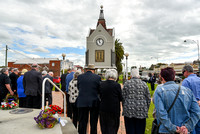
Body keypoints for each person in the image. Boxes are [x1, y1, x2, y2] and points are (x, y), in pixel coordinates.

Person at [154, 67, 200, 133]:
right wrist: (187, 126)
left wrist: (174, 128)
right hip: (183, 129)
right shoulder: (187, 91)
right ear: (174, 78)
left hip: (166, 130)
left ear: (162, 78)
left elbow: (161, 114)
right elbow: (196, 111)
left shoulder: (159, 91)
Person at [122, 68, 151, 134]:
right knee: (140, 130)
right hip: (141, 110)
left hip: (129, 111)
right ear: (138, 75)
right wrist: (146, 109)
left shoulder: (126, 84)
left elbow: (123, 97)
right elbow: (148, 98)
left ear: (131, 76)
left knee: (130, 130)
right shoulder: (144, 84)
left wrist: (125, 107)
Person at [76, 64, 101, 134]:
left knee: (82, 122)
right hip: (94, 101)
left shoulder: (80, 77)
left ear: (86, 69)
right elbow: (99, 89)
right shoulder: (97, 77)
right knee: (93, 123)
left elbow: (78, 87)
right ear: (93, 70)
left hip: (82, 101)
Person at [99, 69, 122, 134]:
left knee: (104, 127)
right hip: (114, 109)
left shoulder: (101, 84)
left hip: (103, 108)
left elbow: (100, 95)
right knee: (113, 127)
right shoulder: (117, 85)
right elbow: (120, 98)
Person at [182, 65, 200, 133]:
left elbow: (184, 97)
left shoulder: (186, 81)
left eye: (183, 73)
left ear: (186, 72)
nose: (183, 75)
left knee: (191, 128)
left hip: (191, 109)